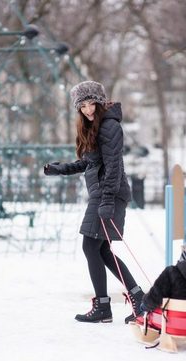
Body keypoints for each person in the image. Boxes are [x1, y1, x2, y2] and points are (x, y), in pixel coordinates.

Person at [44, 80, 144, 323]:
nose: (88, 109)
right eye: (83, 106)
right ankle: (135, 299)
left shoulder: (109, 126)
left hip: (108, 194)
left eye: (92, 104)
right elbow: (89, 162)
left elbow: (112, 167)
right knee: (100, 250)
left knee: (91, 247)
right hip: (103, 194)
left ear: (100, 103)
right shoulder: (93, 127)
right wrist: (61, 169)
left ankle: (106, 306)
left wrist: (107, 200)